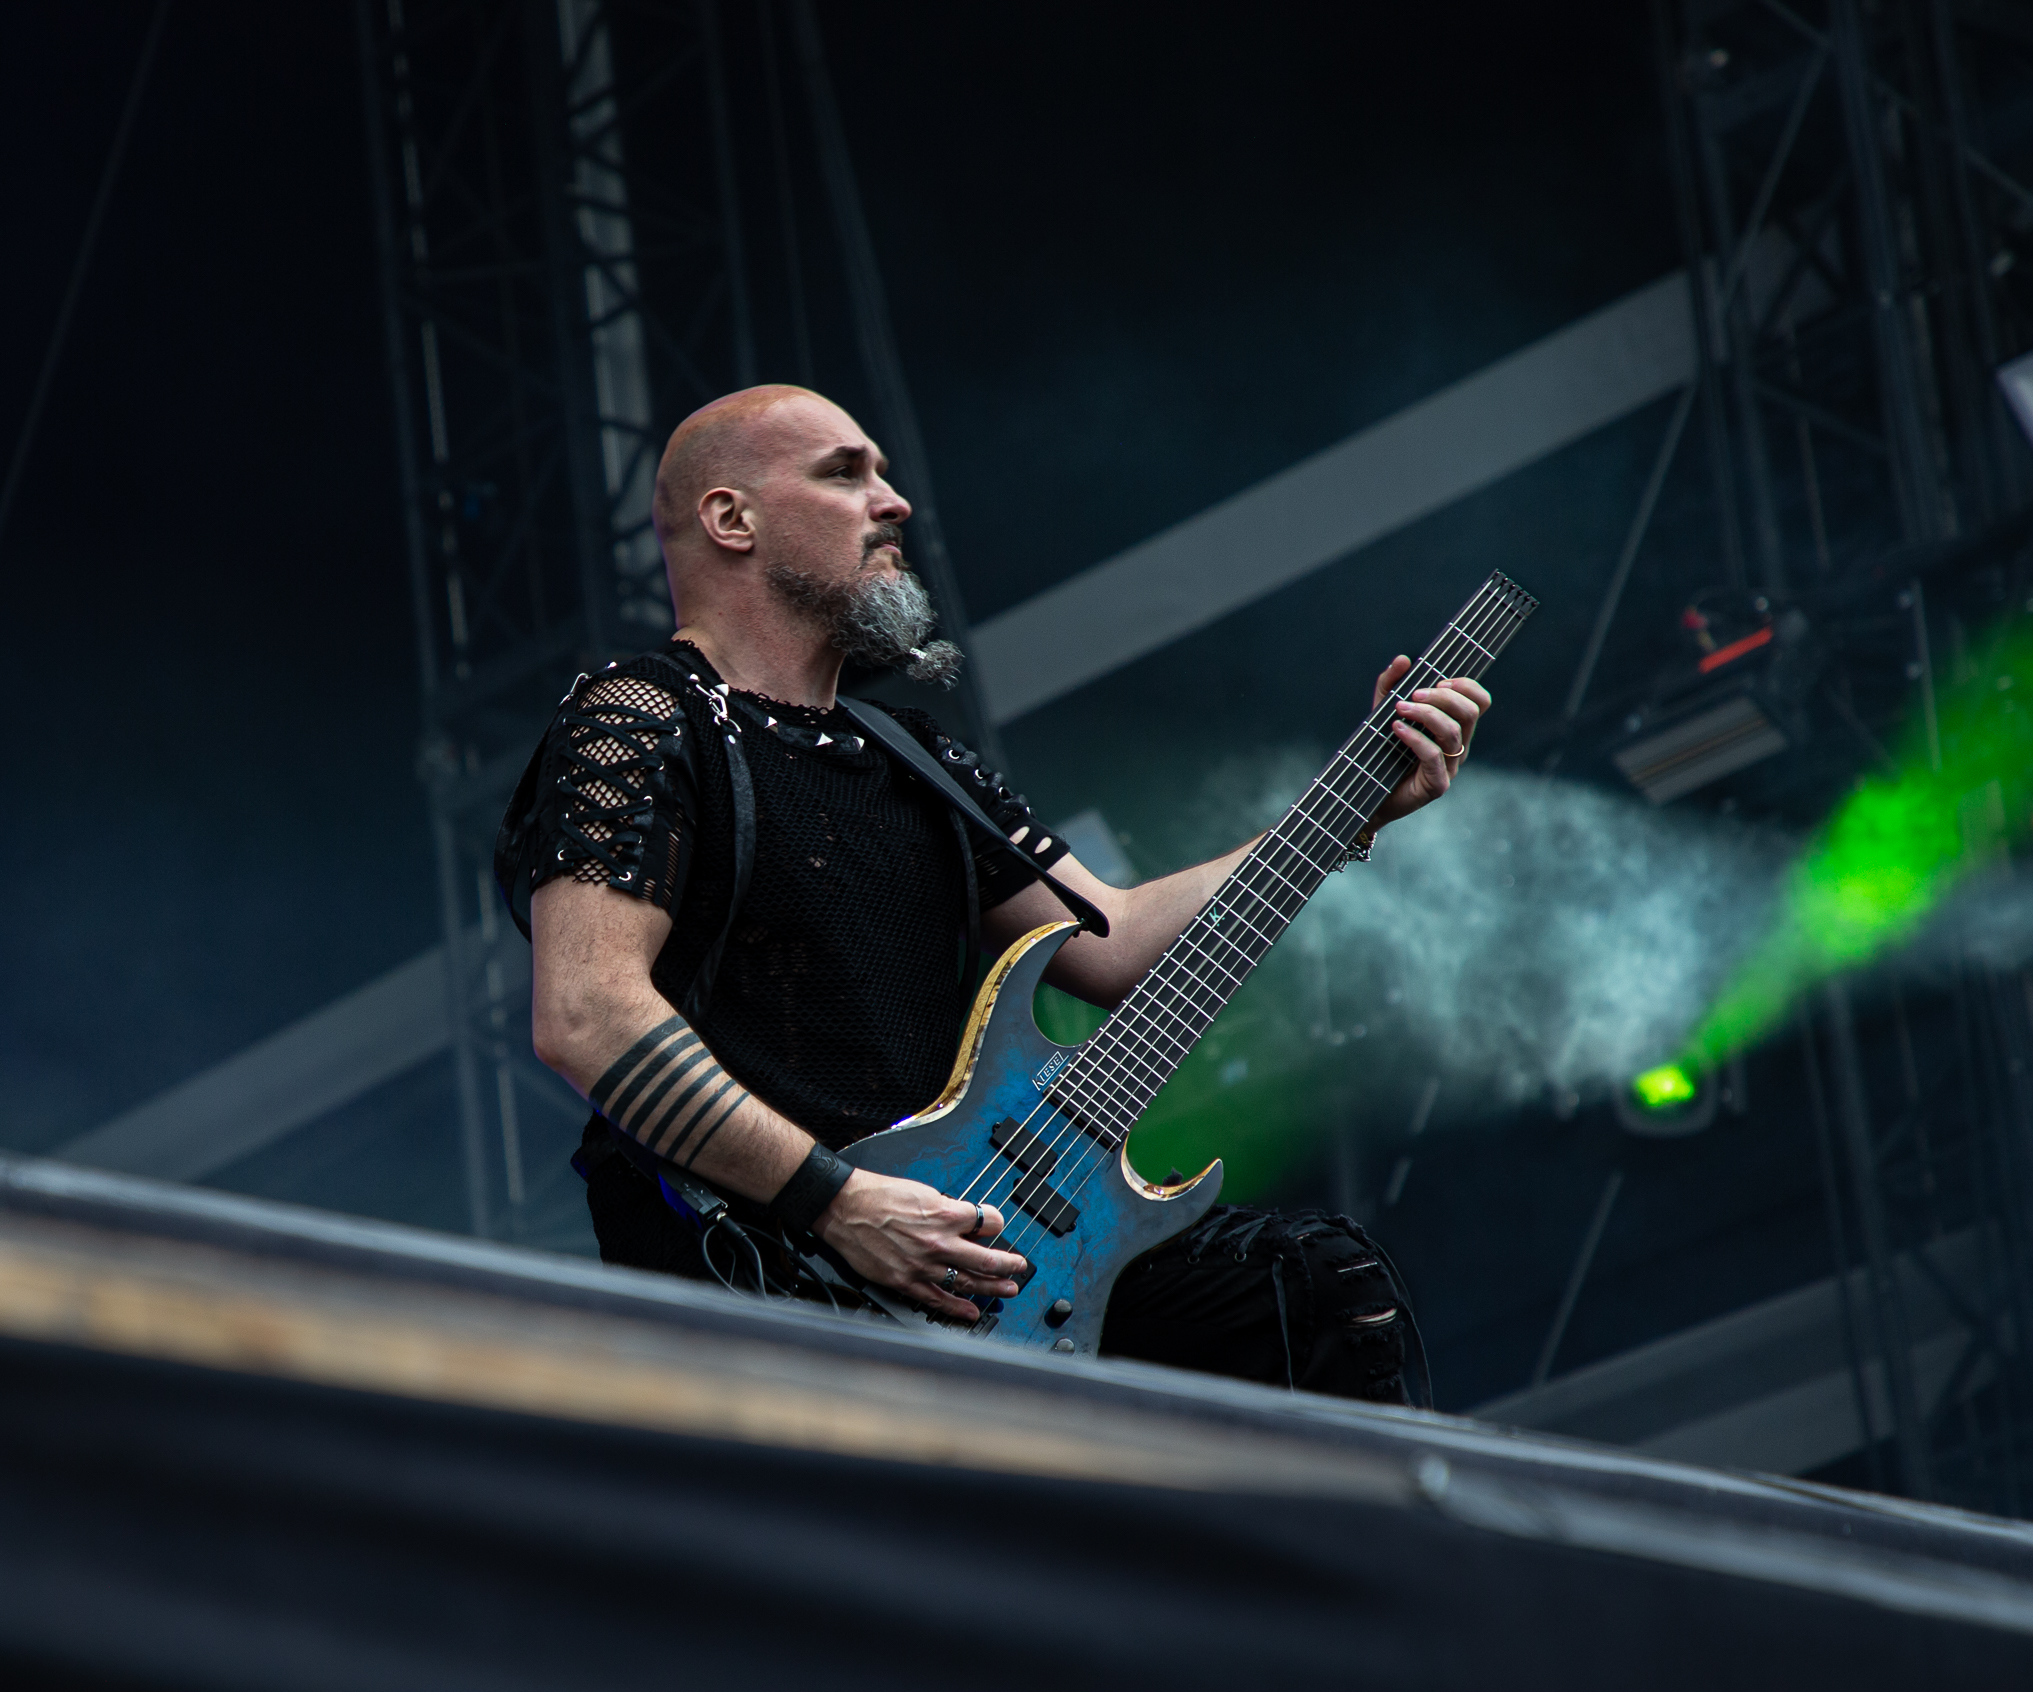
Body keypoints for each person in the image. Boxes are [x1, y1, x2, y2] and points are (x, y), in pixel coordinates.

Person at [496, 385, 1489, 1404]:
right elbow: (588, 1014)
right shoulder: (640, 716)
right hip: (766, 1278)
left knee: (1312, 1290)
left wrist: (1347, 811)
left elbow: (1114, 942)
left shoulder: (910, 755)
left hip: (974, 1259)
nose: (893, 502)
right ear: (730, 518)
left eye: (883, 473)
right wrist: (837, 1201)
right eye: (844, 473)